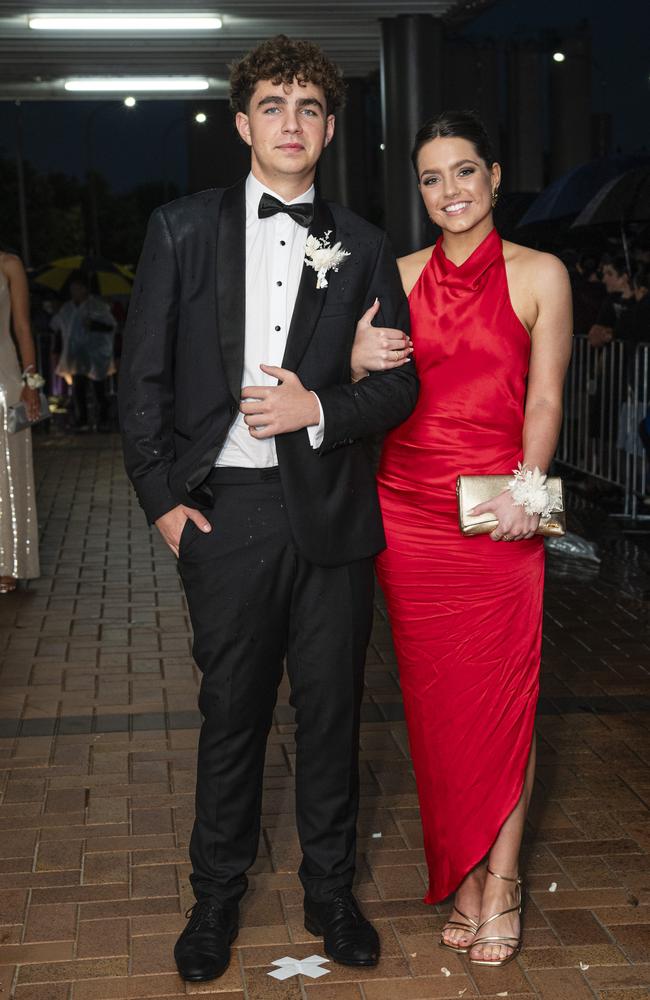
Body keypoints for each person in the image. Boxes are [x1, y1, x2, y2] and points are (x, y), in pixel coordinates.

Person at [118, 34, 418, 984]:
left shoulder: (365, 247)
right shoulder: (181, 227)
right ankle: (215, 900)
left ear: (328, 130)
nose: (293, 123)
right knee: (231, 714)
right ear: (244, 123)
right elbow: (142, 381)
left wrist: (320, 404)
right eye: (275, 107)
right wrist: (164, 503)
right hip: (226, 513)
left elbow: (397, 390)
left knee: (332, 716)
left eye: (311, 109)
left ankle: (332, 896)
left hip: (330, 513)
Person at [352, 109, 572, 966]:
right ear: (420, 189)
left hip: (498, 511)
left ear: (494, 176)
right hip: (405, 513)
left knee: (503, 702)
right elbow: (368, 385)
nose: (450, 191)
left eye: (465, 172)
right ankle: (468, 871)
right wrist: (358, 359)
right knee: (437, 709)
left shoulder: (540, 273)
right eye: (432, 177)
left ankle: (506, 877)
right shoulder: (395, 274)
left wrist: (529, 484)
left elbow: (545, 397)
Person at [0, 250, 41, 593]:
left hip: (4, 381)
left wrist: (30, 382)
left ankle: (8, 563)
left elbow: (22, 326)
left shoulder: (9, 264)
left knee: (7, 471)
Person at [51, 271, 116, 430]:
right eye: (72, 289)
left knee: (98, 389)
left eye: (78, 288)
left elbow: (111, 326)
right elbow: (57, 327)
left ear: (85, 289)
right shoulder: (67, 308)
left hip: (95, 355)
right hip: (76, 356)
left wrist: (94, 325)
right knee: (78, 389)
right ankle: (82, 420)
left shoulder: (97, 306)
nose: (75, 292)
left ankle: (102, 420)